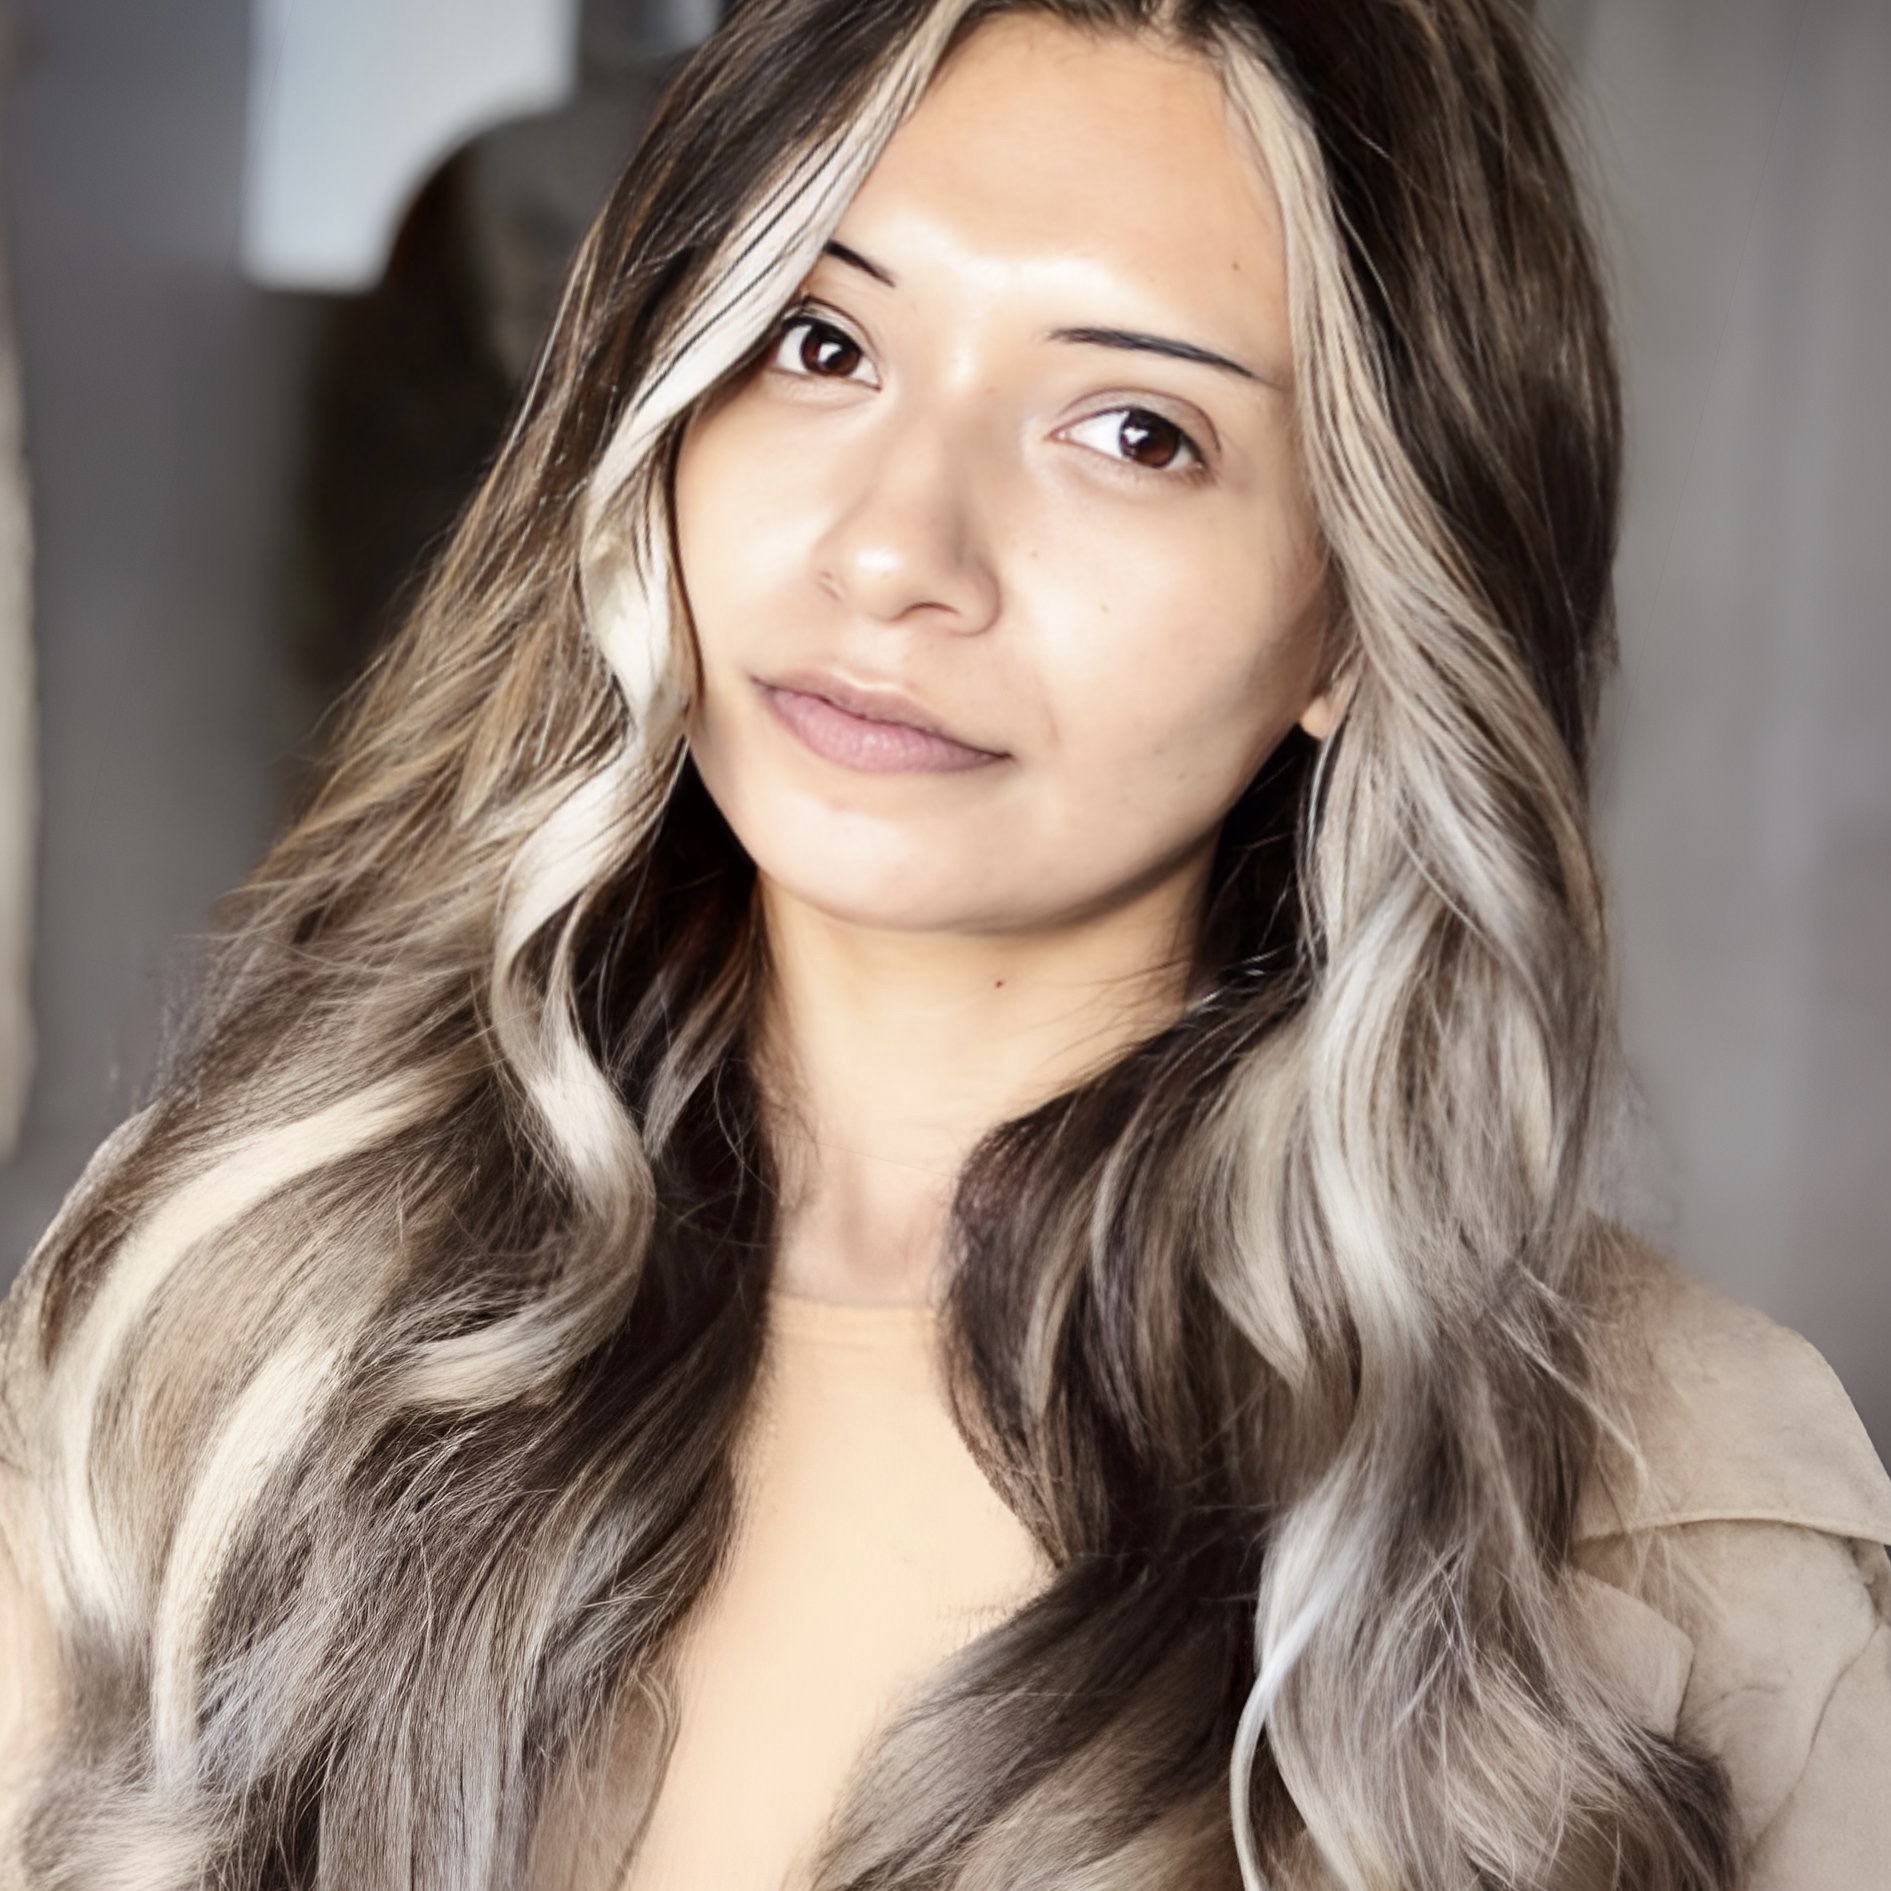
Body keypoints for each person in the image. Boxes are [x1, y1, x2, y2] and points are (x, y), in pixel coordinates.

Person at [3, 0, 1889, 1885]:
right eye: (819, 342)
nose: (899, 545)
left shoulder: (1671, 1507)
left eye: (1136, 430)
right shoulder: (231, 1295)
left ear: (1357, 615)